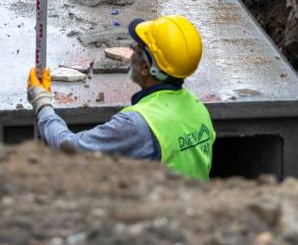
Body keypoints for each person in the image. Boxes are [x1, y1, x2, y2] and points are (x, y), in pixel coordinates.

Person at [27, 14, 216, 180]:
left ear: (145, 67)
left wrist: (42, 103)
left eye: (136, 48)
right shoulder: (198, 109)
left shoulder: (137, 124)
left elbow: (70, 149)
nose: (131, 53)